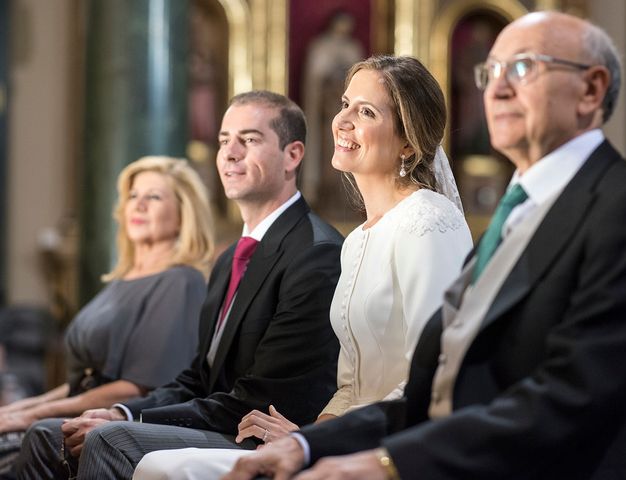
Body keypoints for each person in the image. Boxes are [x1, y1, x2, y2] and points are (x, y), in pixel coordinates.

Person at [222, 11, 626, 480]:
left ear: (591, 89)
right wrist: (306, 444)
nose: (494, 89)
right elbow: (435, 389)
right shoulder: (517, 213)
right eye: (490, 71)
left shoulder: (625, 208)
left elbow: (575, 392)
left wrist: (387, 463)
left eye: (523, 68)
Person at [132, 55, 473, 480]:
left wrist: (317, 447)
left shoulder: (429, 222)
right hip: (342, 442)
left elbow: (434, 377)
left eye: (365, 112)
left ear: (408, 143)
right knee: (158, 465)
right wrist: (304, 438)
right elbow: (349, 388)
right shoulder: (357, 241)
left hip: (392, 454)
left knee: (170, 469)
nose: (341, 120)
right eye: (345, 104)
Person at [14, 91, 343, 479]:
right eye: (224, 141)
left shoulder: (313, 253)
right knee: (46, 435)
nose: (230, 153)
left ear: (293, 155)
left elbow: (258, 398)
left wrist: (129, 417)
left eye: (250, 140)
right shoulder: (230, 258)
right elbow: (198, 378)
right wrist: (121, 411)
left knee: (109, 439)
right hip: (218, 415)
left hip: (257, 435)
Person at [0, 155, 215, 474]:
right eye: (133, 196)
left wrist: (27, 417)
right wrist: (19, 409)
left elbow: (137, 388)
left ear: (184, 215)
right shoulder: (121, 280)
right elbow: (84, 380)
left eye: (153, 196)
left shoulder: (181, 281)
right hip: (74, 412)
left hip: (104, 426)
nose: (138, 205)